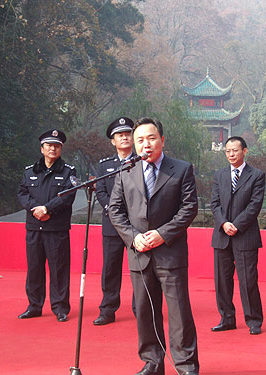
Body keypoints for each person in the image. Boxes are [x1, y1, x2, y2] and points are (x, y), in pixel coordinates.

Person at [108, 118, 199, 375]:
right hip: (139, 253)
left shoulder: (181, 169)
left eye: (151, 138)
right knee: (145, 311)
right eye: (140, 140)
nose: (145, 144)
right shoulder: (125, 170)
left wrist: (161, 234)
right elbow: (115, 209)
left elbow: (188, 208)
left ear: (162, 140)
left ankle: (186, 365)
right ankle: (152, 362)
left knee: (179, 312)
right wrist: (132, 237)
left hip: (170, 252)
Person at [17, 129, 76, 322]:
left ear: (61, 149)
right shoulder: (29, 171)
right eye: (49, 145)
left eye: (57, 146)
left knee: (59, 269)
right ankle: (34, 306)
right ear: (42, 148)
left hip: (56, 229)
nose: (53, 149)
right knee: (34, 268)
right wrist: (36, 209)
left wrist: (47, 209)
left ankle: (60, 308)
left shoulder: (68, 171)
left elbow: (68, 195)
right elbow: (22, 193)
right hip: (34, 227)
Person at [210, 136, 265, 335]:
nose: (231, 154)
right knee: (222, 281)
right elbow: (214, 204)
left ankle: (254, 320)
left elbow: (254, 205)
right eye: (228, 151)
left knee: (248, 280)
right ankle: (227, 318)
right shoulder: (220, 175)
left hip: (245, 235)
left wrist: (237, 225)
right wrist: (224, 223)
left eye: (235, 150)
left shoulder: (257, 175)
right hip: (222, 236)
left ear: (245, 151)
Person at [93, 117, 136, 325]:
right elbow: (100, 190)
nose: (124, 137)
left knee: (140, 268)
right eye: (120, 135)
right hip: (112, 224)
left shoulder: (142, 161)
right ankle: (108, 309)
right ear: (113, 141)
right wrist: (112, 210)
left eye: (128, 134)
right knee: (110, 268)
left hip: (138, 224)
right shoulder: (105, 166)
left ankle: (142, 309)